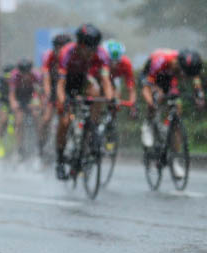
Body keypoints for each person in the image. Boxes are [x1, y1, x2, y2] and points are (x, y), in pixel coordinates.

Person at [54, 23, 113, 180]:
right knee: (65, 121)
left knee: (97, 93)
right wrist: (63, 102)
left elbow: (106, 80)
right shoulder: (67, 52)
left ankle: (91, 127)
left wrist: (111, 99)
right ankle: (59, 160)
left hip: (83, 80)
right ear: (79, 45)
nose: (91, 52)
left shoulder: (101, 54)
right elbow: (60, 85)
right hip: (66, 83)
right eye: (88, 48)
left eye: (94, 48)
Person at [140, 49, 205, 147]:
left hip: (168, 76)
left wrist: (200, 96)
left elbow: (196, 80)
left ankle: (169, 130)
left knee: (177, 103)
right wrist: (152, 100)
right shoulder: (161, 61)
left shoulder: (186, 66)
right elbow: (147, 87)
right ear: (177, 64)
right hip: (152, 75)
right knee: (156, 96)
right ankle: (148, 124)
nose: (184, 77)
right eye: (183, 73)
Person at [39, 33, 72, 157]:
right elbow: (46, 79)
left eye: (64, 47)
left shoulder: (73, 56)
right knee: (46, 119)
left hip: (68, 88)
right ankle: (40, 148)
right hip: (53, 88)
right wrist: (48, 95)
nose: (61, 51)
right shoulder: (49, 57)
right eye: (59, 48)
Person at [9, 59, 42, 160]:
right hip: (19, 99)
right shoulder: (14, 76)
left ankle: (39, 143)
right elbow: (12, 94)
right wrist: (14, 103)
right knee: (19, 122)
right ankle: (20, 147)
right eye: (22, 72)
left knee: (37, 116)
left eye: (27, 72)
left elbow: (41, 90)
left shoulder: (36, 75)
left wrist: (39, 104)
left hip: (31, 97)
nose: (25, 75)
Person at [104, 39, 137, 112]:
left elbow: (131, 87)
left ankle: (112, 113)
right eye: (111, 61)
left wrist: (133, 106)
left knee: (116, 88)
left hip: (113, 79)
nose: (114, 65)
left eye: (117, 61)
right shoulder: (101, 61)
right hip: (101, 78)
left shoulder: (126, 63)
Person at [0, 64, 14, 158]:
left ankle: (18, 147)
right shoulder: (0, 82)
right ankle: (0, 145)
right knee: (3, 120)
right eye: (7, 78)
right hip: (4, 104)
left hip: (14, 104)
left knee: (18, 122)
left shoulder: (17, 80)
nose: (9, 80)